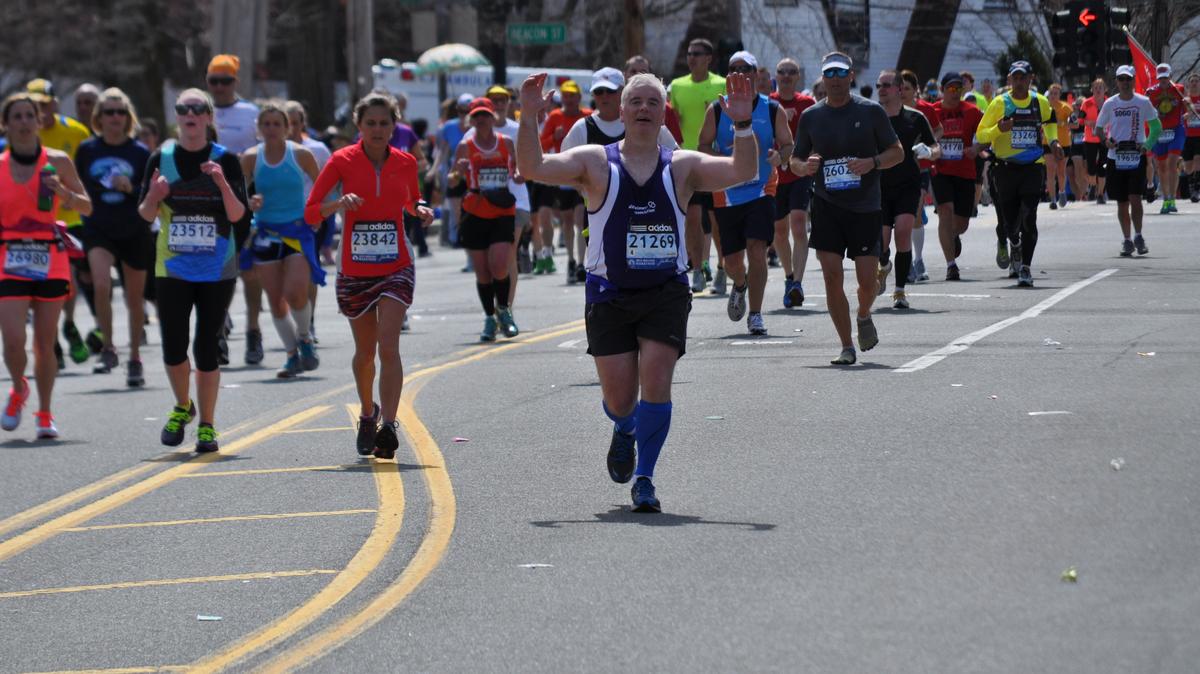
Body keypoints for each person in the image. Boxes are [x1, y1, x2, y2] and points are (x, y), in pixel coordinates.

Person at [517, 70, 758, 512]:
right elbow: (533, 168)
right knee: (619, 398)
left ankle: (645, 477)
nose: (644, 108)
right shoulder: (594, 161)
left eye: (653, 102)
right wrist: (528, 116)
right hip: (609, 292)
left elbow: (744, 171)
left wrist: (742, 126)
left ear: (663, 111)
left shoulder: (681, 165)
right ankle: (624, 426)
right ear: (621, 111)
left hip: (665, 290)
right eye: (636, 102)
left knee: (658, 383)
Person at [305, 92, 432, 458]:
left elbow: (410, 200)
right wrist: (338, 204)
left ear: (395, 126)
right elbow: (312, 212)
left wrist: (420, 209)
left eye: (384, 123)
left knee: (389, 346)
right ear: (358, 126)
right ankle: (367, 412)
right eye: (370, 123)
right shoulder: (341, 161)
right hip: (356, 270)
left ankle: (389, 426)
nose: (378, 130)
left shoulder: (406, 162)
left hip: (396, 265)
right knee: (365, 354)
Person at [138, 88, 249, 453]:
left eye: (197, 109)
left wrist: (220, 183)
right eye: (183, 109)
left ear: (207, 116)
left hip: (217, 266)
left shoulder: (225, 160)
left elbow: (237, 216)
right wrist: (155, 196)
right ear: (177, 116)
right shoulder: (161, 156)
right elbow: (145, 214)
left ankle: (207, 425)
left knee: (206, 346)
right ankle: (183, 405)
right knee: (173, 346)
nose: (190, 114)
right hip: (172, 265)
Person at [790, 52, 903, 365]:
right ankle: (846, 345)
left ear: (851, 76)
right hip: (826, 205)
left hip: (865, 206)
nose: (836, 79)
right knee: (830, 277)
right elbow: (794, 159)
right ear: (823, 78)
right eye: (830, 74)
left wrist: (872, 163)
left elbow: (898, 152)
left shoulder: (870, 112)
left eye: (841, 73)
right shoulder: (811, 116)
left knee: (866, 282)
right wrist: (804, 166)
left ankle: (864, 313)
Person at [0, 94, 93, 438]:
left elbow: (87, 207)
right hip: (9, 257)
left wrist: (64, 194)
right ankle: (17, 387)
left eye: (29, 116)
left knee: (44, 342)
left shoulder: (57, 162)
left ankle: (44, 412)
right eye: (17, 117)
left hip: (49, 257)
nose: (24, 122)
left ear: (39, 122)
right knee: (12, 340)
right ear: (6, 124)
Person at [697, 51, 791, 335]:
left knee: (757, 250)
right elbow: (702, 145)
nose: (740, 73)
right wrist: (721, 161)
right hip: (726, 193)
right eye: (733, 68)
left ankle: (756, 313)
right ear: (727, 76)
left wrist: (779, 156)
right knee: (733, 260)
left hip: (762, 189)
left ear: (755, 73)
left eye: (746, 68)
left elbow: (788, 144)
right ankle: (739, 284)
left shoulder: (772, 109)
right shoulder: (717, 109)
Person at [74, 88, 152, 386]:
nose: (115, 117)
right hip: (99, 227)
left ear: (128, 117)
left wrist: (130, 188)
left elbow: (150, 192)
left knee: (134, 298)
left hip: (133, 229)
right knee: (101, 284)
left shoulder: (140, 152)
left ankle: (134, 357)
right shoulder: (87, 150)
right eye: (109, 112)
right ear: (99, 118)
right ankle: (108, 347)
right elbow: (78, 185)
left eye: (120, 112)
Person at [240, 102, 324, 378]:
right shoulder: (251, 157)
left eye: (277, 124)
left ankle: (305, 339)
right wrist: (250, 201)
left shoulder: (300, 154)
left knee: (295, 291)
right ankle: (291, 356)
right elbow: (237, 198)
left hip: (297, 231)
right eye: (266, 124)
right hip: (265, 232)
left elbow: (323, 186)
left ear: (287, 128)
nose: (272, 129)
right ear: (259, 128)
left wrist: (320, 212)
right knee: (276, 301)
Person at [27, 78, 96, 366]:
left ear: (55, 103)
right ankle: (52, 339)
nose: (40, 110)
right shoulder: (20, 133)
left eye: (44, 104)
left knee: (67, 278)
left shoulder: (76, 132)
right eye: (34, 105)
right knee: (38, 286)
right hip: (32, 223)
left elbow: (86, 177)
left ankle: (67, 322)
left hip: (70, 218)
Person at [976, 60, 1062, 288]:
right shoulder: (999, 103)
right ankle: (1013, 243)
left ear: (1030, 78)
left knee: (1029, 216)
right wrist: (998, 130)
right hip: (1005, 169)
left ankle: (1025, 268)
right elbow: (981, 134)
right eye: (1015, 77)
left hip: (1033, 165)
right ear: (1009, 79)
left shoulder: (1040, 102)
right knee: (1010, 223)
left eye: (1023, 77)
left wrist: (1053, 141)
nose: (1019, 81)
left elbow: (1050, 121)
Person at [206, 54, 264, 366]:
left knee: (249, 270)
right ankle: (219, 325)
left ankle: (253, 330)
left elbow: (263, 151)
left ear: (235, 82)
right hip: (208, 199)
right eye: (213, 81)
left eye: (225, 81)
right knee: (216, 268)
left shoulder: (250, 112)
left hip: (244, 194)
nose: (219, 87)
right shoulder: (200, 110)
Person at [456, 98, 521, 341]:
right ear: (471, 120)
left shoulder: (505, 143)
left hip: (502, 211)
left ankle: (504, 309)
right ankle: (489, 318)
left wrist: (519, 175)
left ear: (493, 117)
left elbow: (514, 171)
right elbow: (453, 179)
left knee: (500, 265)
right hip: (474, 212)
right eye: (476, 116)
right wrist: (457, 172)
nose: (481, 120)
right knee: (483, 273)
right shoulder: (465, 146)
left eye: (485, 115)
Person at [463, 85, 533, 308]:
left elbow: (530, 160)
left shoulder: (517, 129)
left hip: (515, 201)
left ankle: (507, 308)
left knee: (507, 256)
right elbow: (460, 170)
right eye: (495, 99)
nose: (501, 103)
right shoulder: (469, 138)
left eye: (504, 99)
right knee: (487, 265)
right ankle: (494, 309)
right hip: (482, 206)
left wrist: (523, 174)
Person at [876, 69, 938, 310]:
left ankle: (899, 291)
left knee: (903, 232)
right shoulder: (872, 117)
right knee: (881, 243)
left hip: (907, 185)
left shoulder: (915, 117)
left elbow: (936, 147)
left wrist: (929, 152)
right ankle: (883, 265)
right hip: (879, 187)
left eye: (886, 85)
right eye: (879, 85)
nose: (881, 89)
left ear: (899, 89)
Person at [669, 38, 727, 294]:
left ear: (709, 58)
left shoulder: (721, 84)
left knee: (717, 222)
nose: (691, 57)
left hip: (714, 161)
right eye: (689, 53)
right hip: (687, 163)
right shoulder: (678, 86)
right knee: (692, 219)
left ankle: (723, 268)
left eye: (697, 53)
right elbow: (672, 120)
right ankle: (698, 268)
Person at [1095, 66, 1159, 257]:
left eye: (1128, 79)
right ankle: (1127, 240)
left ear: (1133, 81)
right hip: (1116, 158)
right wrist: (1106, 142)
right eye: (1121, 79)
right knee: (1122, 203)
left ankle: (1139, 235)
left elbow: (1156, 127)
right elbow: (1098, 129)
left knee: (1135, 198)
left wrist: (1146, 145)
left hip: (1136, 157)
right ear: (1116, 82)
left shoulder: (1143, 102)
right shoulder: (1110, 104)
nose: (1125, 82)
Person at [769, 58, 817, 309]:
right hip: (775, 176)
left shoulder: (807, 104)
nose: (786, 76)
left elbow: (817, 137)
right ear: (775, 75)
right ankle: (789, 276)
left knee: (798, 225)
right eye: (782, 72)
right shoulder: (768, 104)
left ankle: (797, 282)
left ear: (798, 77)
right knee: (779, 231)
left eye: (791, 72)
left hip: (800, 172)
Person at [931, 71, 982, 281]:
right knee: (945, 210)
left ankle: (953, 235)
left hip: (965, 171)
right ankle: (951, 265)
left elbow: (985, 134)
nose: (955, 92)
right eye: (951, 89)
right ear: (942, 90)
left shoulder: (972, 111)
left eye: (959, 88)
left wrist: (977, 148)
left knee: (961, 224)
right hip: (940, 170)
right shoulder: (931, 111)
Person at [539, 80, 591, 283]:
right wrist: (554, 137)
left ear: (579, 97)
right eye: (565, 96)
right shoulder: (555, 116)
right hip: (563, 177)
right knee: (567, 221)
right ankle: (570, 259)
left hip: (582, 176)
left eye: (572, 96)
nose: (568, 100)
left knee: (580, 219)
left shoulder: (587, 116)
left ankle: (581, 263)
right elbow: (542, 144)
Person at [899, 69, 941, 283]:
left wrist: (926, 145)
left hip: (921, 168)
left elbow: (938, 132)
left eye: (907, 88)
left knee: (915, 212)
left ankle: (918, 260)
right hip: (896, 171)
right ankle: (899, 260)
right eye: (901, 88)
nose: (903, 92)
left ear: (916, 90)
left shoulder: (924, 110)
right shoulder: (891, 111)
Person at [1146, 63, 1196, 214]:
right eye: (1161, 78)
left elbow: (1190, 110)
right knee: (1161, 166)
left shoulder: (1179, 89)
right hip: (1159, 131)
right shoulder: (1151, 92)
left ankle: (1172, 199)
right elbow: (1146, 111)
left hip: (1176, 130)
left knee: (1173, 162)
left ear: (1170, 76)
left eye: (1166, 78)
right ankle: (1166, 198)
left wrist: (1188, 107)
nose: (1163, 81)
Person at [624, 55, 684, 144]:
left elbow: (676, 149)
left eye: (643, 72)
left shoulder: (665, 109)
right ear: (624, 74)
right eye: (633, 71)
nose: (637, 75)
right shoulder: (613, 106)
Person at [1044, 83, 1074, 210]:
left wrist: (1063, 123)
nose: (1053, 96)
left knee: (1061, 171)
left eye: (1056, 93)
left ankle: (1062, 191)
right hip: (1048, 142)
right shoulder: (1044, 107)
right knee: (1050, 170)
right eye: (1051, 93)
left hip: (1063, 143)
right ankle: (1052, 199)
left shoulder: (1066, 107)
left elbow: (1075, 123)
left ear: (1059, 95)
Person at [1081, 78, 1108, 204]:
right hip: (1090, 139)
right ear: (1092, 89)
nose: (1098, 90)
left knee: (1102, 166)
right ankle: (1092, 185)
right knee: (1091, 167)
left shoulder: (1110, 102)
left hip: (1104, 138)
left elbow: (1115, 118)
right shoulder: (1086, 103)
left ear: (1105, 90)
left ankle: (1101, 194)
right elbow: (1080, 121)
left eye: (1100, 87)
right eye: (1095, 87)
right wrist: (1088, 122)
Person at [1185, 73, 1200, 203]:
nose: (1194, 83)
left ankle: (1196, 188)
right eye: (1192, 81)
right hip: (1186, 136)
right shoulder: (1185, 99)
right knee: (1188, 166)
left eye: (1196, 81)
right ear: (1188, 84)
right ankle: (1191, 187)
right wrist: (1186, 115)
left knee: (1197, 160)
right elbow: (1181, 116)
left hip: (1199, 135)